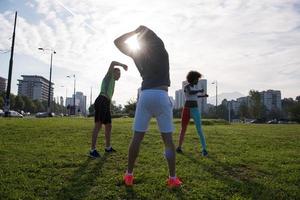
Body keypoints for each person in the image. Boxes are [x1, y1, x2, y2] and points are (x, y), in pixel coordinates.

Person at [114, 25, 182, 188]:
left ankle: (129, 175)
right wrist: (144, 30)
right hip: (161, 95)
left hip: (145, 96)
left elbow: (117, 42)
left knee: (137, 138)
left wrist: (134, 32)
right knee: (168, 141)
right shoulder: (162, 51)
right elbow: (155, 38)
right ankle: (172, 178)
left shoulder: (138, 55)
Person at [89, 61, 128, 158]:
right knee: (98, 125)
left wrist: (109, 106)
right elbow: (112, 63)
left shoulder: (113, 82)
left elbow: (109, 96)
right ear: (113, 72)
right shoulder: (109, 76)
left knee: (109, 125)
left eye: (120, 74)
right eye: (118, 73)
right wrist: (122, 65)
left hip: (106, 102)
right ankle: (92, 150)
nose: (119, 76)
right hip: (101, 100)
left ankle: (108, 147)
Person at [176, 71, 208, 156]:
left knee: (199, 129)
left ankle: (204, 149)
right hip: (186, 110)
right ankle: (179, 147)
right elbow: (190, 93)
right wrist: (200, 90)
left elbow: (195, 96)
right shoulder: (187, 87)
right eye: (197, 79)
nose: (198, 80)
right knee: (183, 129)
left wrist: (203, 96)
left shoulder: (194, 87)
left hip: (195, 110)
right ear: (193, 79)